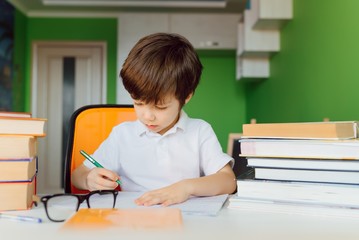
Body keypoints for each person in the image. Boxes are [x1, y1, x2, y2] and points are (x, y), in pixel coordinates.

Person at [71, 32, 237, 207]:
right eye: (138, 103)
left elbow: (228, 181)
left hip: (185, 222)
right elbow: (77, 175)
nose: (147, 116)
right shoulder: (122, 135)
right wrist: (89, 179)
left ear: (186, 96)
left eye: (160, 107)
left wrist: (186, 188)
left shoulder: (199, 131)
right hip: (134, 221)